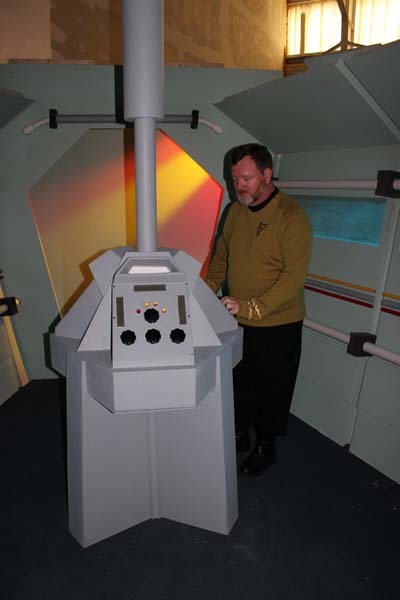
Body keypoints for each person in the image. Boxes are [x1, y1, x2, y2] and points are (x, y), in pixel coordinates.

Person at [205, 143, 312, 476]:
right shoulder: (235, 211)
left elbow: (292, 278)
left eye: (246, 179)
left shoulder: (291, 217)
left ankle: (267, 447)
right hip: (239, 318)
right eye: (234, 179)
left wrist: (252, 308)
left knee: (272, 388)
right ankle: (239, 434)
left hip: (278, 324)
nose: (239, 186)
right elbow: (221, 258)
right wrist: (204, 292)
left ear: (267, 174)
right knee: (240, 381)